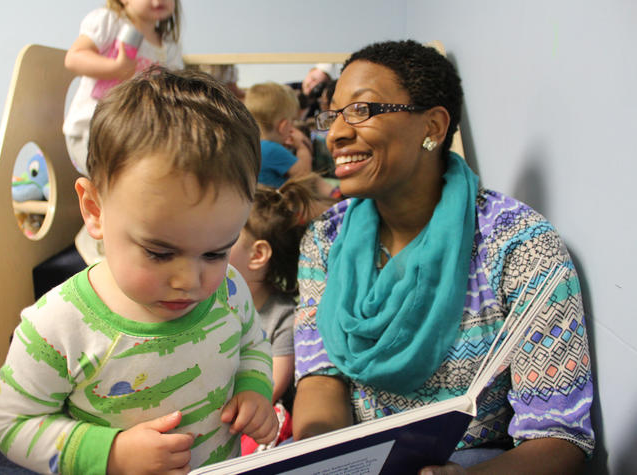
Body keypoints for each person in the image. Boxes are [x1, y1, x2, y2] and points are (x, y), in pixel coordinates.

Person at [291, 40, 594, 474]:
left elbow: (558, 436)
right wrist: (325, 463)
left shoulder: (517, 246)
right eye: (333, 114)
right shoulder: (326, 239)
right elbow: (322, 377)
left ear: (432, 126)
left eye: (361, 111)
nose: (336, 133)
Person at [0, 69, 278, 474]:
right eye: (160, 253)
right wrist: (111, 454)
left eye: (216, 252)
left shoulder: (228, 289)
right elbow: (11, 424)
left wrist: (254, 387)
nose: (190, 281)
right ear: (94, 210)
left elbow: (252, 343)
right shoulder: (56, 326)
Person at [230, 174, 334, 455]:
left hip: (256, 418)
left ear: (257, 255)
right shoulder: (216, 304)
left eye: (227, 234)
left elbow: (273, 384)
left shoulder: (282, 316)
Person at [63, 0, 183, 176]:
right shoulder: (110, 22)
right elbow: (74, 58)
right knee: (121, 180)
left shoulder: (170, 47)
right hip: (91, 129)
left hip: (135, 134)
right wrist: (116, 69)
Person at [244, 82, 338, 199]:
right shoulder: (271, 149)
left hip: (260, 203)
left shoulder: (251, 145)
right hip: (280, 204)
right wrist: (301, 146)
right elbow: (304, 174)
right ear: (283, 126)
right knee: (314, 179)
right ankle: (338, 198)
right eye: (292, 121)